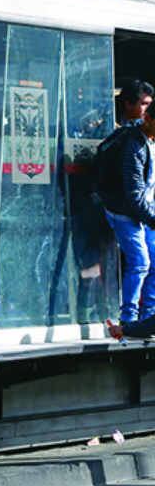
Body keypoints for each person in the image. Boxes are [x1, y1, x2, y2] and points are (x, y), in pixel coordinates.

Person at [99, 102, 155, 325]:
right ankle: (129, 319)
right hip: (123, 211)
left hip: (146, 211)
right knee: (140, 262)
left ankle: (149, 316)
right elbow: (134, 196)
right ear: (148, 119)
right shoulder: (133, 146)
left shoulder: (149, 141)